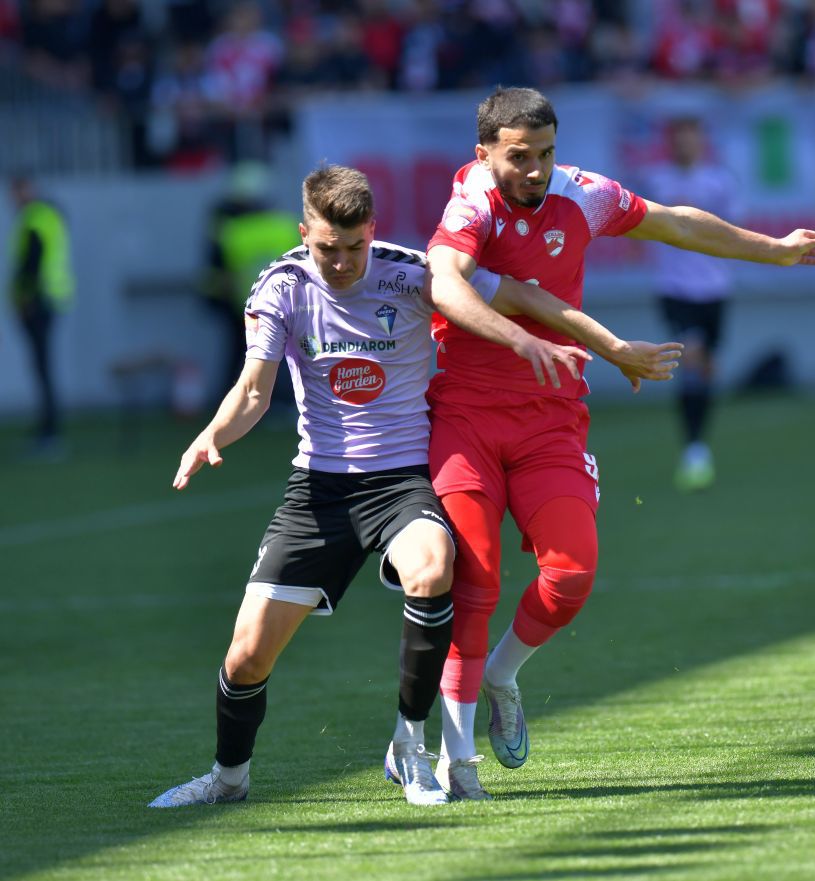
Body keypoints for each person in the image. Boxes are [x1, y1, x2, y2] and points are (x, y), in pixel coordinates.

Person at [147, 164, 682, 809]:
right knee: (247, 658)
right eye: (327, 248)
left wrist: (608, 343)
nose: (342, 262)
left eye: (354, 247)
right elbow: (256, 389)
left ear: (372, 230)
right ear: (304, 233)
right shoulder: (281, 288)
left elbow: (520, 294)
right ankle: (228, 780)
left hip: (403, 480)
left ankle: (410, 746)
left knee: (433, 567)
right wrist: (213, 434)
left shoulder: (412, 273)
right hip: (320, 489)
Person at [424, 86, 815, 799]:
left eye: (546, 153)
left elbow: (673, 223)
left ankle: (504, 673)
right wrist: (522, 339)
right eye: (520, 156)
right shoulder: (470, 205)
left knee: (572, 572)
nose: (537, 169)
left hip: (552, 415)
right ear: (484, 153)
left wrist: (774, 250)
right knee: (476, 577)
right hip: (467, 415)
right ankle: (457, 766)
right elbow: (446, 286)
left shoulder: (583, 194)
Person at [639, 115, 739, 491]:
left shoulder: (719, 182)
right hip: (675, 289)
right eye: (678, 139)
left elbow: (734, 232)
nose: (685, 145)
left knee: (708, 367)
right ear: (670, 143)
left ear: (701, 142)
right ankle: (694, 450)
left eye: (691, 138)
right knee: (692, 357)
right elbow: (636, 225)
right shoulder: (657, 181)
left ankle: (700, 443)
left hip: (715, 289)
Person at [204, 161, 301, 401]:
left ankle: (233, 403)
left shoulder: (230, 230)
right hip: (284, 303)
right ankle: (284, 402)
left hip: (241, 304)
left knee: (241, 356)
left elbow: (219, 270)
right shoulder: (286, 225)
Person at [8, 173, 75, 457]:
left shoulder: (34, 218)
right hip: (49, 300)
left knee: (42, 367)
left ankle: (49, 432)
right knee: (42, 366)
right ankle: (47, 428)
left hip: (39, 301)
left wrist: (24, 297)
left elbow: (30, 264)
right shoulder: (47, 215)